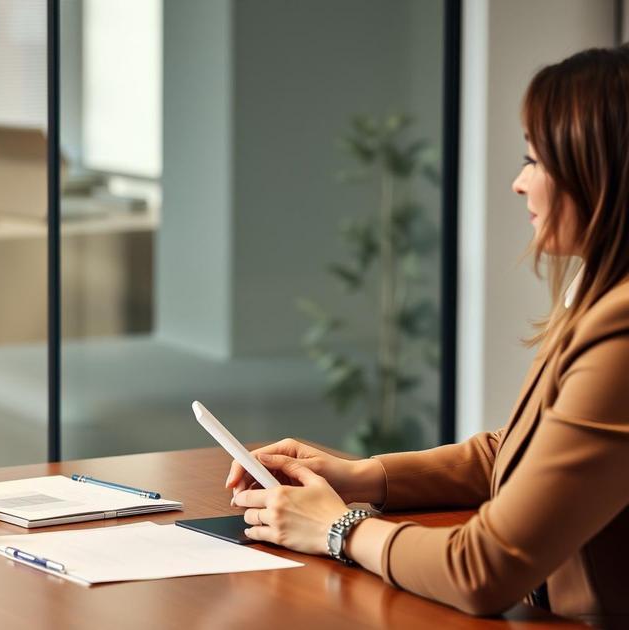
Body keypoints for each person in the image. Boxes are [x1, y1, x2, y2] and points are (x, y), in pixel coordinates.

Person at [225, 45, 629, 624]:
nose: (519, 184)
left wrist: (337, 528)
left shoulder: (621, 331)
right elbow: (523, 450)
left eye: (536, 161)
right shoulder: (603, 296)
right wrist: (361, 477)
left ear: (601, 175)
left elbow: (483, 569)